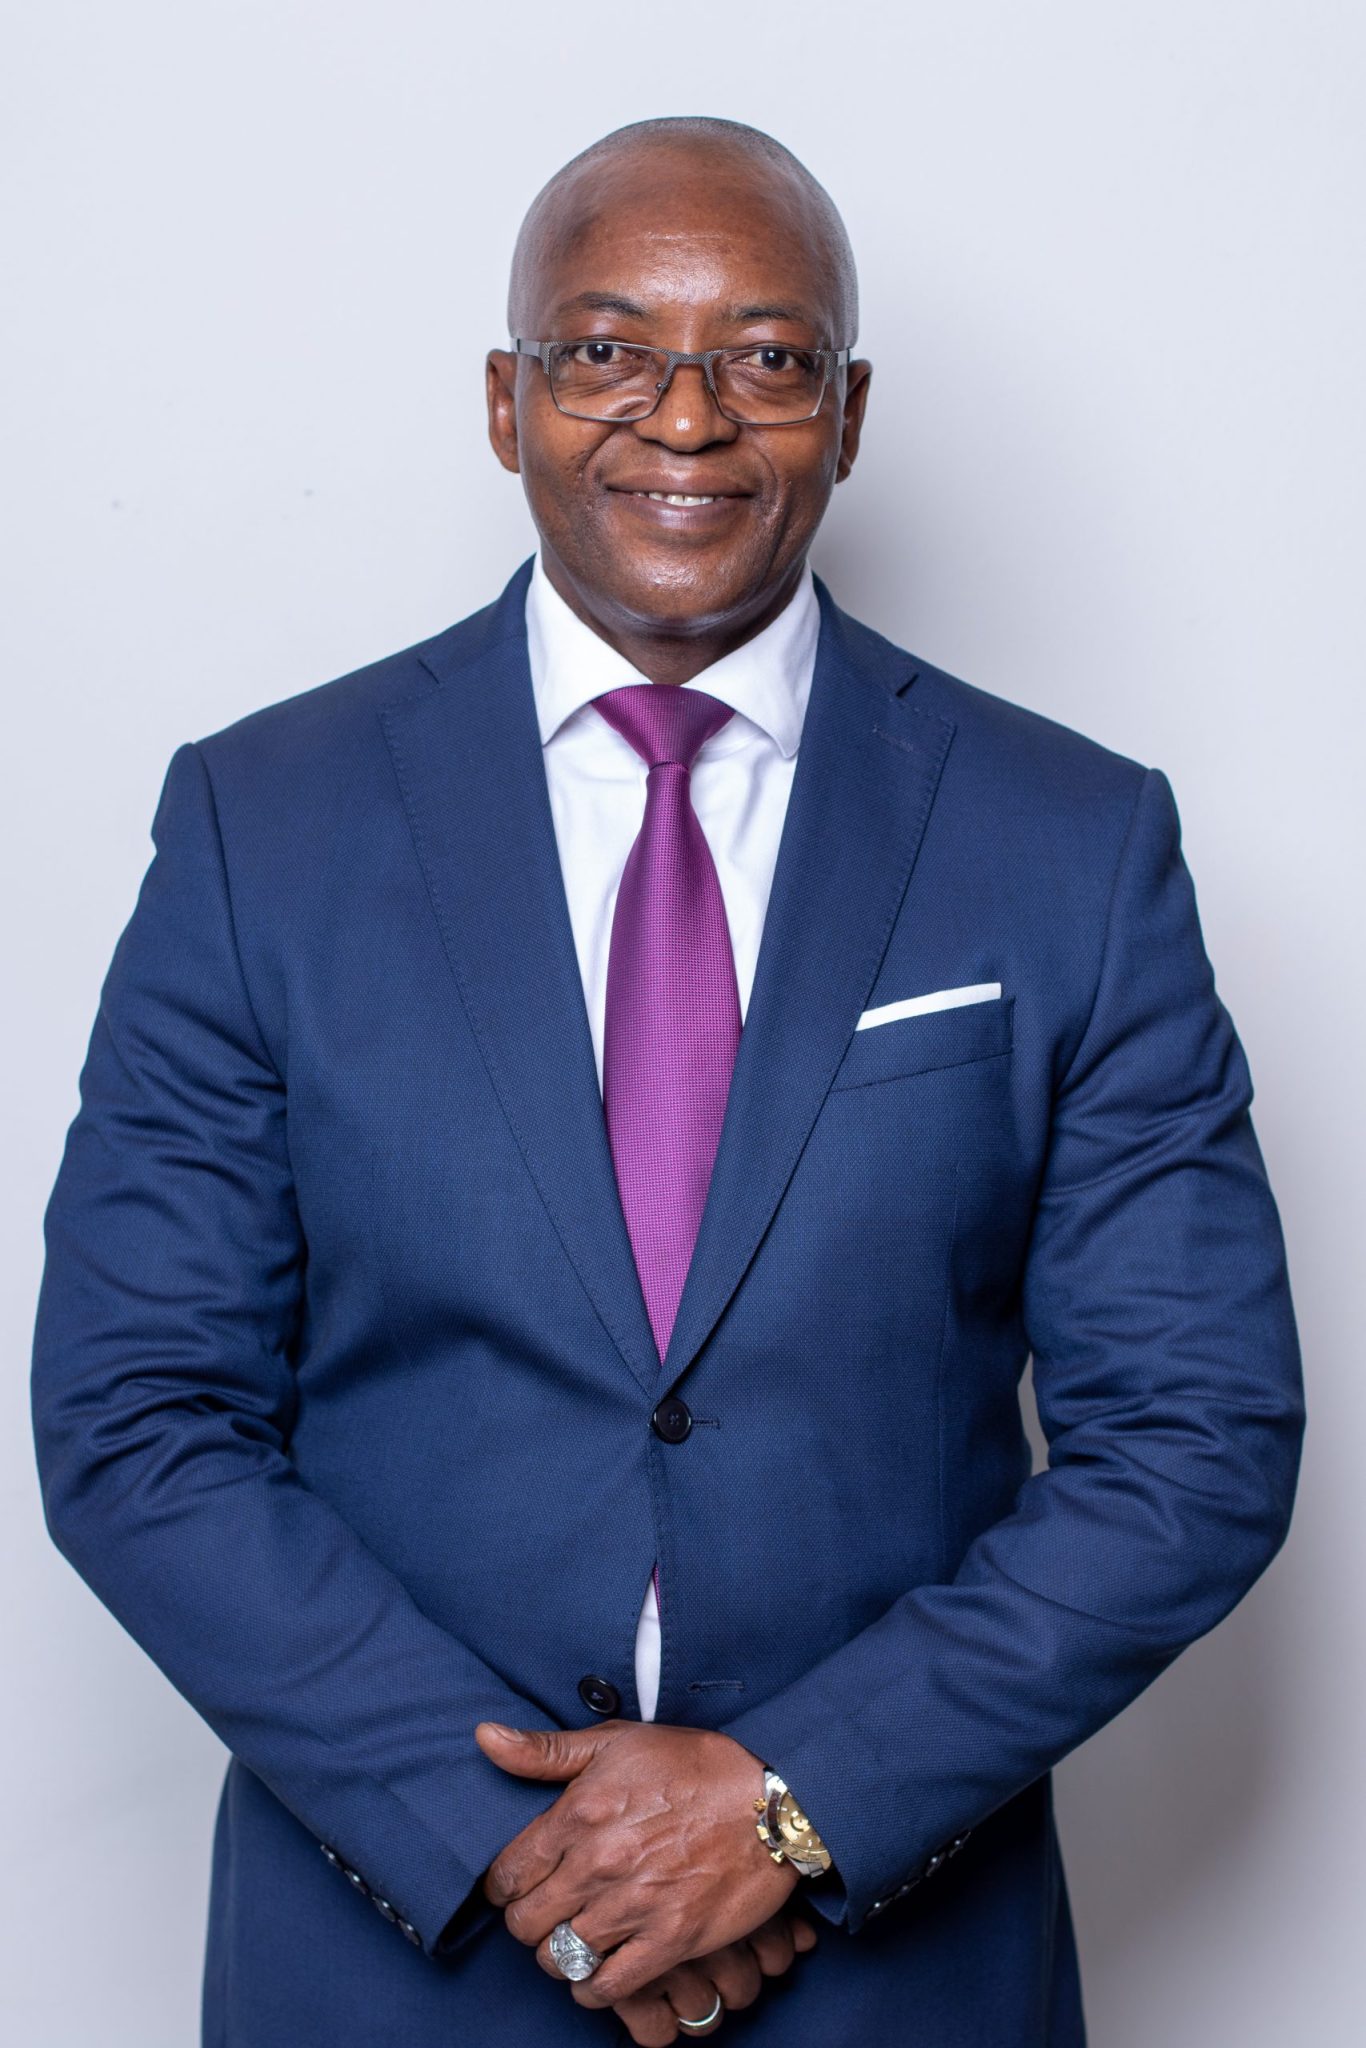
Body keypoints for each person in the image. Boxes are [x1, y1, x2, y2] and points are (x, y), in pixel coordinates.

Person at [30, 114, 1304, 2048]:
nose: (685, 418)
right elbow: (137, 1411)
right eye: (606, 351)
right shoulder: (260, 826)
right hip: (394, 1969)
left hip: (895, 1977)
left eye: (765, 358)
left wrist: (797, 1808)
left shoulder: (1068, 842)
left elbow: (1194, 1434)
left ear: (847, 414)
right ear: (505, 402)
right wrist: (532, 1855)